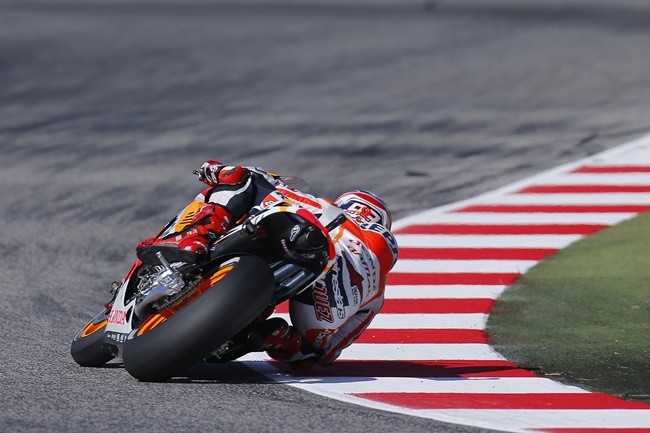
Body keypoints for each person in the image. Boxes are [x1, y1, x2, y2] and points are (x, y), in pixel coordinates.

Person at [136, 161, 398, 368]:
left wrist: (215, 170)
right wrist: (312, 349)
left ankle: (196, 237)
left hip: (307, 240)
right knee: (312, 350)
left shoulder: (322, 205)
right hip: (331, 298)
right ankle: (278, 339)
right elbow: (329, 352)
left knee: (242, 178)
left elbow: (252, 177)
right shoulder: (378, 291)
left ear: (348, 204)